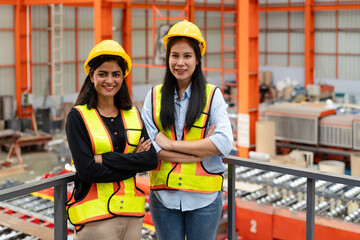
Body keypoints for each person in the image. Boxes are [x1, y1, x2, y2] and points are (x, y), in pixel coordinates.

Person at [141, 20, 234, 240]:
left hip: (204, 200)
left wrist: (171, 144)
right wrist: (200, 152)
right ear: (168, 58)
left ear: (198, 59)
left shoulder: (213, 96)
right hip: (164, 197)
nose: (180, 62)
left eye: (187, 56)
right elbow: (151, 149)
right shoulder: (154, 97)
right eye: (175, 55)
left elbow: (224, 143)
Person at [66, 39, 158, 240]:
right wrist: (133, 160)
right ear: (91, 76)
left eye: (116, 74)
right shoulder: (78, 117)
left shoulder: (133, 113)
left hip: (132, 216)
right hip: (95, 219)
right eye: (102, 74)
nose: (110, 80)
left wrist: (104, 158)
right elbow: (87, 171)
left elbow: (151, 160)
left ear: (123, 77)